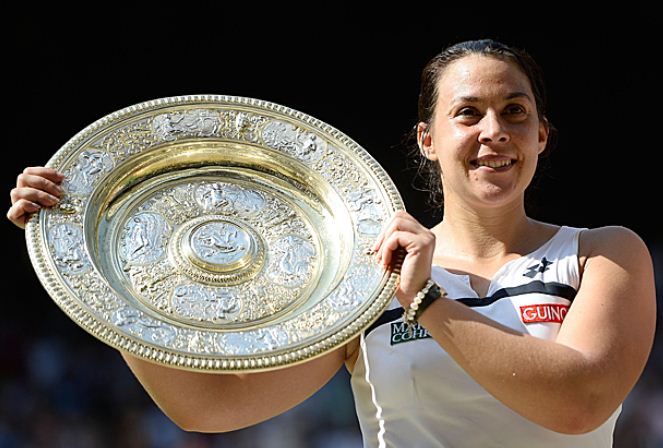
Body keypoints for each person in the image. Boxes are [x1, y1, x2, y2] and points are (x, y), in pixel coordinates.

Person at [8, 39, 657, 447]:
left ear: (541, 135)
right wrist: (102, 271)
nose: (493, 130)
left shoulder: (601, 253)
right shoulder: (364, 273)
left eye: (514, 112)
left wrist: (425, 299)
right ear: (427, 140)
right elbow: (209, 408)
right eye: (466, 112)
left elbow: (579, 403)